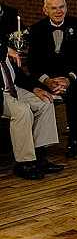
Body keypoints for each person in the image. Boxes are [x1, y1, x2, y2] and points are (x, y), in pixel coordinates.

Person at [27, 0, 77, 158]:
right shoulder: (36, 29)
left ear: (66, 8)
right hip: (45, 78)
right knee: (35, 96)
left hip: (70, 77)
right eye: (53, 8)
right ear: (45, 10)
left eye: (61, 7)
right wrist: (47, 80)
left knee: (76, 94)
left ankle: (74, 137)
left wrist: (69, 79)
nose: (58, 11)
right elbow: (33, 62)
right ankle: (39, 144)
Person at [1, 33, 64, 180]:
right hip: (0, 94)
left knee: (45, 102)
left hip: (13, 88)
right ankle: (24, 163)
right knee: (22, 111)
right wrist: (4, 50)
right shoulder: (3, 49)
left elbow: (16, 72)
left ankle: (39, 156)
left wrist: (35, 88)